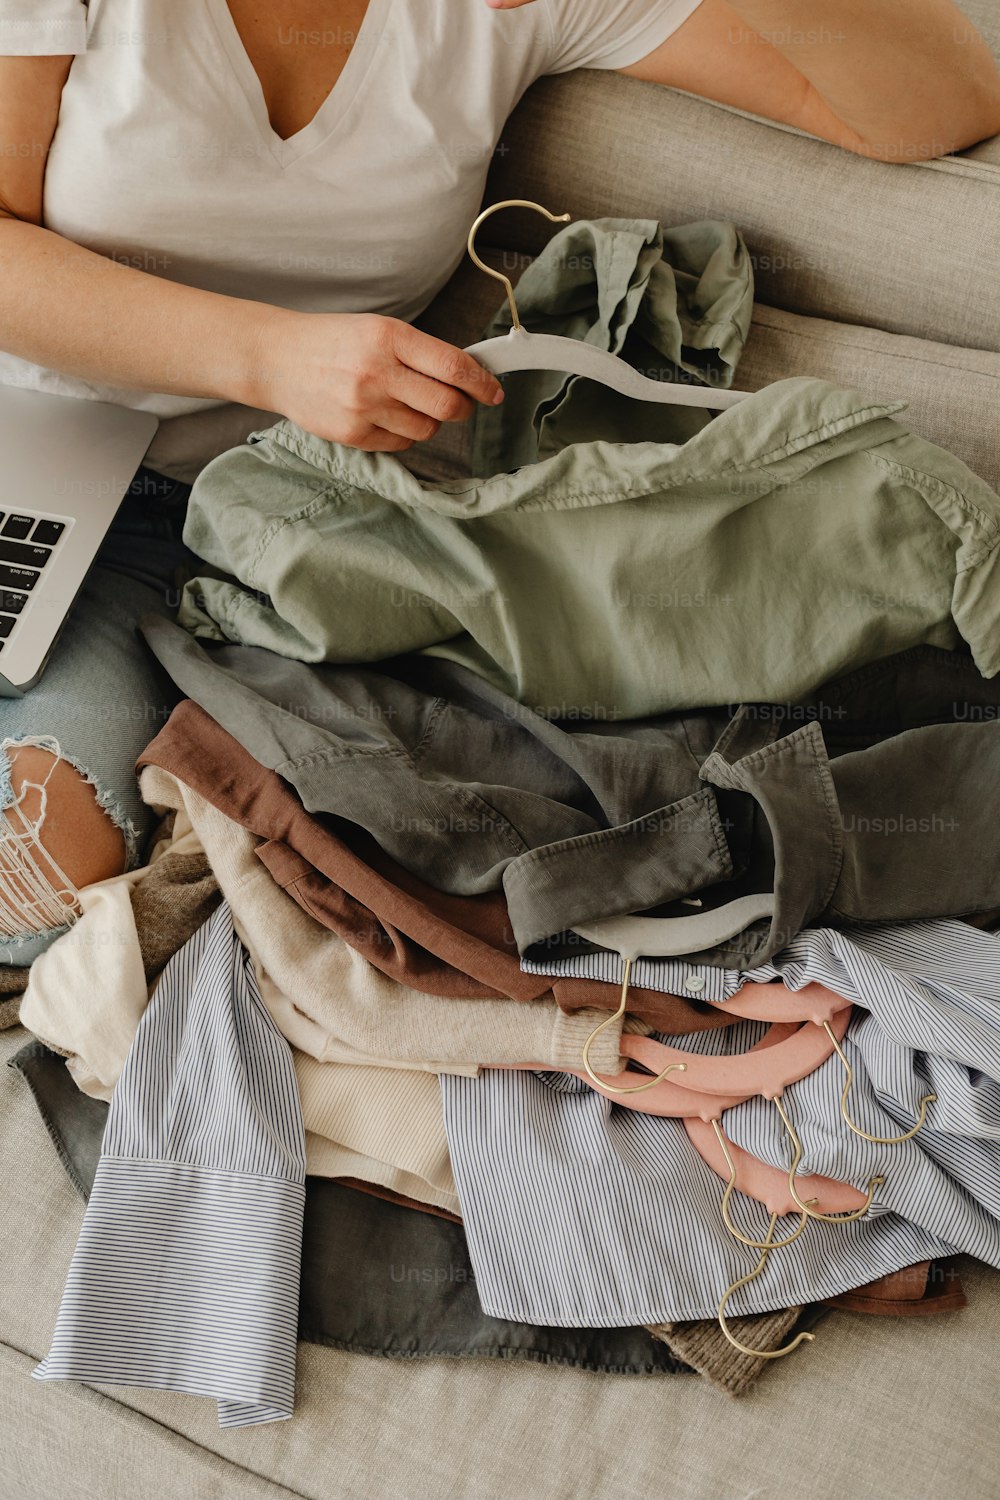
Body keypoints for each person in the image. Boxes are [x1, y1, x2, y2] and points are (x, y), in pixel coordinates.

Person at [0, 0, 998, 964]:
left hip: (221, 535)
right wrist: (268, 358)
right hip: (23, 446)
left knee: (40, 871)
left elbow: (941, 98)